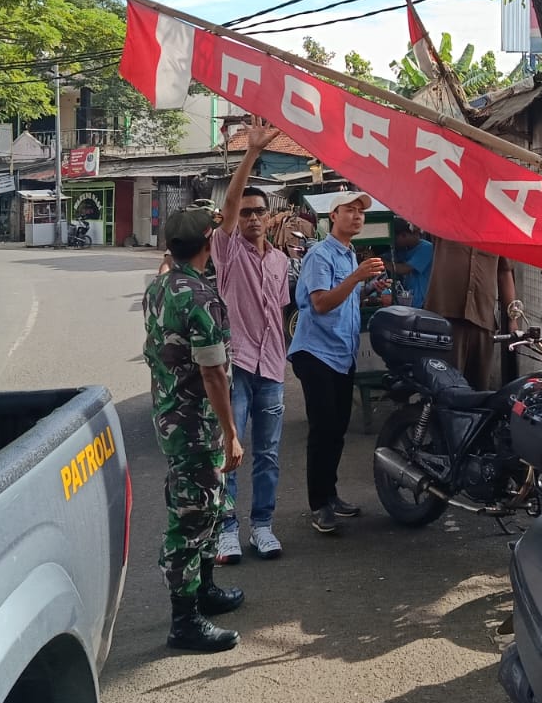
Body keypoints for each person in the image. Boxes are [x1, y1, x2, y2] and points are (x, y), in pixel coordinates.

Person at [145, 205, 246, 652]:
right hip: (195, 423)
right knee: (191, 515)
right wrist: (230, 432)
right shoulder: (201, 298)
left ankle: (203, 589)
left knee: (209, 502)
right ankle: (183, 620)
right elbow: (212, 374)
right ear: (210, 241)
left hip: (171, 415)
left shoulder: (161, 286)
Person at [210, 120, 292, 563]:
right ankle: (226, 528)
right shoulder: (226, 251)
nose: (252, 218)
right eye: (245, 212)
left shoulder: (280, 261)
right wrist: (251, 155)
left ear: (269, 216)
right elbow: (227, 206)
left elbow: (278, 313)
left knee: (269, 454)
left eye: (258, 211)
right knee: (231, 448)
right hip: (237, 366)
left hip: (272, 369)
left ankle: (262, 525)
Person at [289, 189, 383, 535]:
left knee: (337, 430)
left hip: (341, 355)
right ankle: (319, 506)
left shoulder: (348, 253)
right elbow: (321, 304)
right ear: (334, 217)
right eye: (350, 211)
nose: (357, 216)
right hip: (316, 354)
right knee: (323, 430)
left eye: (361, 212)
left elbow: (346, 298)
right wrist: (357, 277)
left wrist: (370, 288)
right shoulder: (320, 255)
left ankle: (330, 495)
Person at [425, 237, 523, 390]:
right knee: (445, 386)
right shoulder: (445, 221)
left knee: (478, 389)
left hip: (482, 320)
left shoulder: (496, 232)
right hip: (446, 318)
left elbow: (504, 273)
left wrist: (513, 319)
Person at [389, 220, 434, 310]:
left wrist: (379, 262)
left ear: (404, 235)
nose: (394, 243)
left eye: (395, 239)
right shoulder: (404, 249)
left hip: (422, 303)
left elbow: (403, 269)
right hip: (409, 302)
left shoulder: (426, 248)